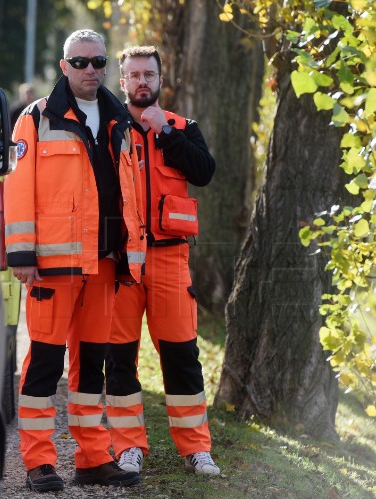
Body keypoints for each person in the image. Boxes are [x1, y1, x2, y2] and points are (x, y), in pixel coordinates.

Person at [4, 29, 146, 492]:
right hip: (52, 264)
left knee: (92, 365)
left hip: (104, 263)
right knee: (45, 361)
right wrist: (22, 254)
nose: (90, 69)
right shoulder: (37, 117)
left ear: (106, 66)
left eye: (97, 61)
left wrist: (132, 257)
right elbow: (19, 189)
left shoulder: (118, 118)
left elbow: (129, 194)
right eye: (80, 62)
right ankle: (38, 461)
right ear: (64, 66)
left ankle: (91, 458)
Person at [104, 45, 220, 476]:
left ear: (160, 79)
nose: (142, 82)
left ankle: (195, 449)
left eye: (149, 74)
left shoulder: (182, 127)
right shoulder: (109, 130)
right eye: (133, 75)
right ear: (123, 82)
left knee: (181, 354)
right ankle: (128, 446)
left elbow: (204, 172)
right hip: (123, 262)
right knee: (119, 356)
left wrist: (165, 134)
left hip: (171, 259)